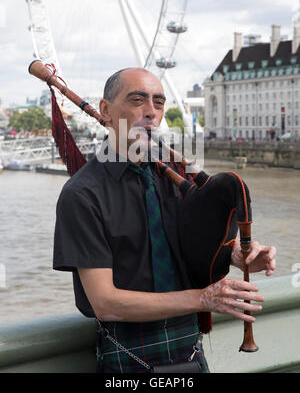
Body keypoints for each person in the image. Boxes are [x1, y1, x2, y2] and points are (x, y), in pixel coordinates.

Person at [53, 67, 276, 373]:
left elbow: (194, 243)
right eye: (137, 100)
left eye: (158, 103)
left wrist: (237, 255)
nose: (151, 113)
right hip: (128, 352)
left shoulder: (177, 178)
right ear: (105, 110)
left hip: (188, 345)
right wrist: (203, 298)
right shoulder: (82, 194)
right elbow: (105, 302)